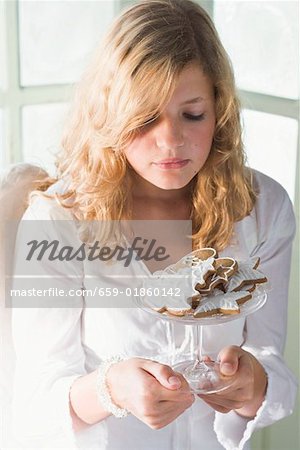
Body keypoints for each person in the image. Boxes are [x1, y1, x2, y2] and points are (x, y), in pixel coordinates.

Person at [9, 1, 297, 449]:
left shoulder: (262, 209)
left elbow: (271, 366)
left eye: (192, 114)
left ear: (219, 109)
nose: (170, 140)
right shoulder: (58, 219)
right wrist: (110, 389)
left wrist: (253, 385)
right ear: (110, 112)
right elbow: (28, 401)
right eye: (145, 117)